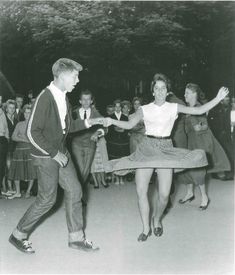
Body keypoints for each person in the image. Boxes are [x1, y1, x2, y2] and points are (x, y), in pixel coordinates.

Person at [99, 73, 228, 242]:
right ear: (153, 91)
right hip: (146, 149)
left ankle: (157, 219)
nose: (160, 91)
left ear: (167, 91)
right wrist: (111, 121)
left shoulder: (173, 107)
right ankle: (145, 228)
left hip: (166, 149)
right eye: (157, 88)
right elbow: (129, 124)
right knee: (141, 191)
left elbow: (198, 110)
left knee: (165, 195)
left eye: (163, 88)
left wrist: (218, 98)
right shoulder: (144, 109)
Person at [9, 58, 100, 254]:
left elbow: (67, 128)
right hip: (45, 155)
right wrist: (53, 153)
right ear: (63, 76)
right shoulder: (45, 97)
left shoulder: (63, 97)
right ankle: (18, 235)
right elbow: (32, 133)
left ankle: (76, 238)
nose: (77, 81)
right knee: (47, 199)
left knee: (75, 191)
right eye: (75, 76)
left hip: (60, 151)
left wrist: (90, 122)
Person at [178, 83, 231, 209]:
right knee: (186, 168)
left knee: (198, 170)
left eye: (187, 93)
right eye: (185, 92)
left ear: (194, 94)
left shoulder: (198, 107)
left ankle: (204, 197)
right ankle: (190, 193)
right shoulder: (188, 108)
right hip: (190, 141)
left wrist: (198, 126)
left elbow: (204, 126)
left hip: (200, 141)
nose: (185, 95)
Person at [70, 90, 107, 199]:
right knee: (80, 169)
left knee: (85, 171)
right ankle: (78, 195)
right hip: (76, 143)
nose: (86, 101)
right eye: (84, 99)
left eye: (88, 99)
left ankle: (79, 193)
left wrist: (97, 132)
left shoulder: (96, 113)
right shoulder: (73, 112)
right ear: (80, 101)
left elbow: (105, 126)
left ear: (91, 101)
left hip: (90, 144)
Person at [7, 105, 36, 199]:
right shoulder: (19, 124)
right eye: (26, 112)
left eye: (29, 112)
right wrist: (25, 139)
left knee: (31, 171)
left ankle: (28, 191)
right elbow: (13, 137)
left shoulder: (35, 124)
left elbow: (36, 138)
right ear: (23, 114)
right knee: (17, 171)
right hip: (19, 150)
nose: (27, 114)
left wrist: (21, 137)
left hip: (31, 150)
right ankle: (18, 192)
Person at [208, 94, 234, 179]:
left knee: (230, 154)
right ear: (221, 101)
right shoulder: (215, 110)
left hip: (228, 136)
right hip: (218, 136)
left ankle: (230, 174)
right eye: (225, 99)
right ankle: (215, 173)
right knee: (217, 155)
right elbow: (210, 122)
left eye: (228, 99)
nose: (228, 101)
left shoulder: (231, 110)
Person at [106, 99, 130, 185]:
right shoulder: (111, 117)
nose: (117, 108)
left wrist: (120, 129)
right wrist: (120, 129)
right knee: (115, 159)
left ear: (121, 107)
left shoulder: (125, 117)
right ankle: (116, 177)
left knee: (122, 159)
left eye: (119, 106)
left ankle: (122, 178)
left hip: (123, 142)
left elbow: (127, 129)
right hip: (114, 142)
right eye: (116, 106)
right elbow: (111, 130)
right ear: (114, 107)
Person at [0, 96, 9, 198]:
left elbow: (6, 127)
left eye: (0, 100)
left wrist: (6, 138)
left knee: (1, 166)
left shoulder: (2, 112)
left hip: (2, 140)